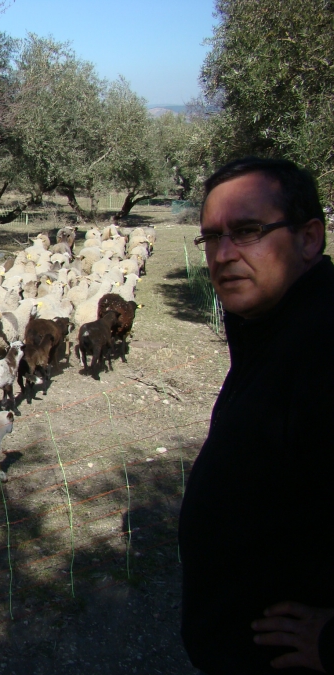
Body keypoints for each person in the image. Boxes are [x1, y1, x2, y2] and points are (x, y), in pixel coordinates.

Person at [178, 156, 334, 674]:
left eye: (247, 231)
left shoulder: (325, 349)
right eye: (210, 238)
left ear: (310, 238)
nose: (222, 255)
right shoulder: (269, 332)